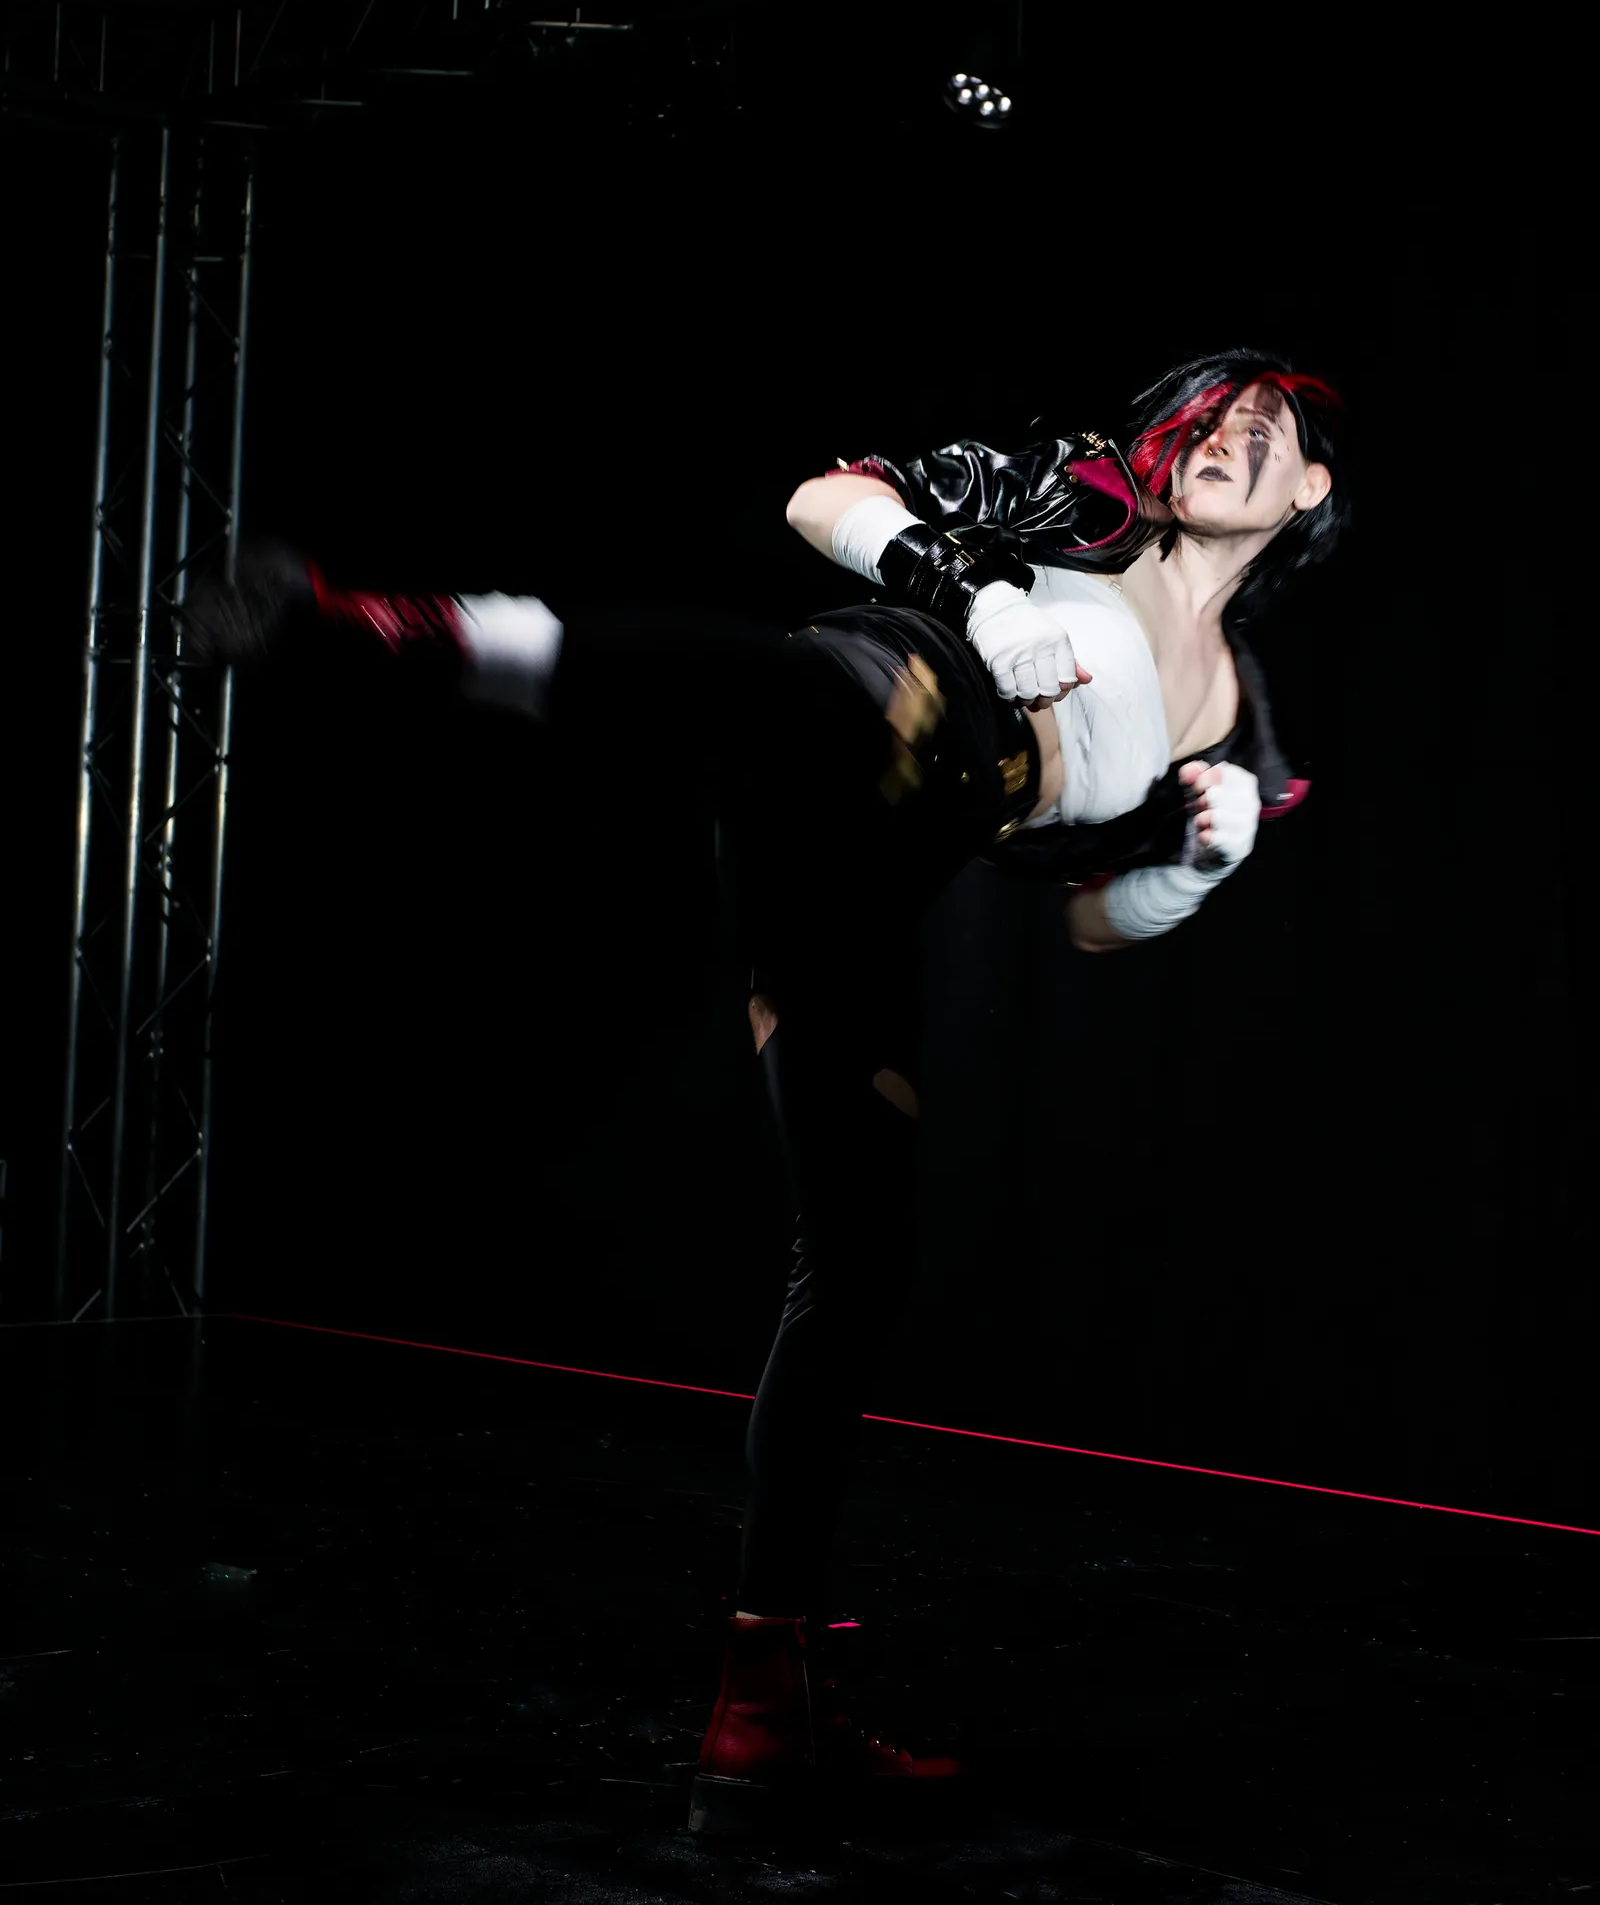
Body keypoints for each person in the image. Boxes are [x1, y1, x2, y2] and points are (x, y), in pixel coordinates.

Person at [182, 347, 1347, 1836]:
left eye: (1271, 426)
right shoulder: (1073, 500)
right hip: (855, 711)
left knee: (860, 1263)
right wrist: (981, 595)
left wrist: (1195, 868)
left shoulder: (1245, 739)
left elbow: (1093, 925)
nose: (1232, 431)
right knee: (790, 696)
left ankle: (762, 1708)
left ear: (1310, 490)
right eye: (1218, 410)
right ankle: (374, 629)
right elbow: (822, 500)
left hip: (849, 882)